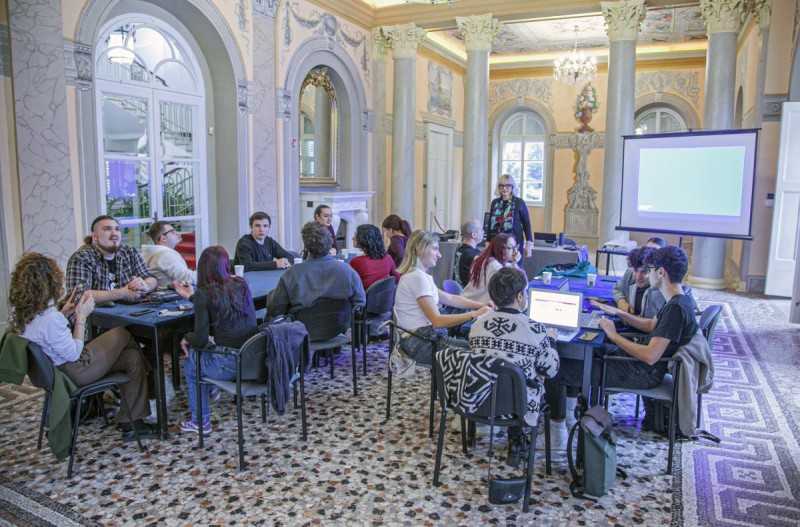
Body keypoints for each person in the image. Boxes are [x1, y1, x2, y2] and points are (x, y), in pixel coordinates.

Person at [544, 246, 698, 449]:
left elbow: (651, 355)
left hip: (643, 373)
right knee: (581, 355)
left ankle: (558, 435)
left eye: (650, 270)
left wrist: (614, 335)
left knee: (556, 370)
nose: (647, 275)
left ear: (661, 272)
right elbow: (651, 325)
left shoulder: (675, 309)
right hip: (639, 365)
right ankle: (571, 418)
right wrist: (618, 313)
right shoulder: (678, 299)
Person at [9, 253, 155, 441]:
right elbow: (74, 354)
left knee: (132, 357)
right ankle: (151, 376)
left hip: (55, 372)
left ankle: (131, 424)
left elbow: (45, 333)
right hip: (72, 372)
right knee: (122, 333)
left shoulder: (22, 314)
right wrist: (81, 317)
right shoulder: (49, 318)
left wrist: (64, 313)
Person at [469, 268, 560, 467]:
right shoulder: (535, 329)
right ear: (520, 296)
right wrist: (552, 341)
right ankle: (546, 434)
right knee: (532, 375)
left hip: (482, 399)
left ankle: (515, 439)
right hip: (521, 405)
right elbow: (551, 370)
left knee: (510, 373)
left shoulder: (476, 325)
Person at [174, 246, 257, 434]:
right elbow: (218, 304)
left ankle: (200, 420)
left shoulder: (204, 294)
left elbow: (200, 340)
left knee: (191, 364)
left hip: (228, 364)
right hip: (251, 358)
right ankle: (210, 388)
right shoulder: (241, 284)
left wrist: (186, 337)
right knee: (202, 352)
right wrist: (193, 297)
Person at [394, 230, 492, 365]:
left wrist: (481, 305)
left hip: (422, 337)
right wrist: (475, 313)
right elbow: (437, 321)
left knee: (475, 340)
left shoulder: (418, 275)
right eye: (435, 249)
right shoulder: (417, 278)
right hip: (420, 343)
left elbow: (450, 298)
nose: (439, 255)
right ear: (419, 248)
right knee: (480, 350)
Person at [266, 222, 365, 317]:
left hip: (301, 326)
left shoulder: (291, 274)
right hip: (340, 325)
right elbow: (360, 304)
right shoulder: (348, 271)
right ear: (329, 243)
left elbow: (275, 309)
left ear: (306, 247)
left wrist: (271, 295)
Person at [66, 215, 158, 303]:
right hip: (96, 312)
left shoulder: (129, 252)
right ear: (95, 236)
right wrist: (122, 293)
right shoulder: (81, 258)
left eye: (117, 229)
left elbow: (151, 279)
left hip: (132, 310)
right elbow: (78, 296)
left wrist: (146, 286)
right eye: (107, 229)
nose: (114, 233)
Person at [461, 233, 521, 304]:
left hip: (469, 302)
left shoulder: (488, 259)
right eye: (511, 248)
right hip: (472, 306)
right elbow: (516, 286)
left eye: (515, 247)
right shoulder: (494, 266)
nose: (515, 252)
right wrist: (514, 264)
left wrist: (514, 264)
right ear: (500, 249)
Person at [612, 236, 667, 314]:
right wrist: (621, 301)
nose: (638, 277)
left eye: (644, 272)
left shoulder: (661, 289)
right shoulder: (630, 274)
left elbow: (654, 321)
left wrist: (626, 316)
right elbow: (618, 289)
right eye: (635, 270)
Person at [487, 174, 533, 258]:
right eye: (502, 186)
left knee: (514, 265)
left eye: (507, 186)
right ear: (499, 187)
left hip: (515, 243)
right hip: (496, 243)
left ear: (512, 187)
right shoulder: (495, 203)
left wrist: (528, 245)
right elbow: (490, 223)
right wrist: (488, 241)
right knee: (496, 265)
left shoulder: (519, 202)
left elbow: (526, 224)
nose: (504, 188)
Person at [141, 220, 197, 287]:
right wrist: (206, 272)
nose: (176, 233)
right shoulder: (165, 255)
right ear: (163, 238)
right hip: (175, 292)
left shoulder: (158, 254)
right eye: (172, 232)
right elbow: (188, 278)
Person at [349, 224, 400, 290]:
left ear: (365, 239)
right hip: (383, 295)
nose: (353, 238)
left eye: (356, 235)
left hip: (363, 296)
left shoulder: (355, 262)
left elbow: (348, 285)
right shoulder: (388, 258)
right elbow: (397, 279)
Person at [453, 219, 483, 287]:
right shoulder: (473, 256)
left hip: (460, 289)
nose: (483, 232)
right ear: (474, 235)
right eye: (481, 230)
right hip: (469, 291)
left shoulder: (459, 250)